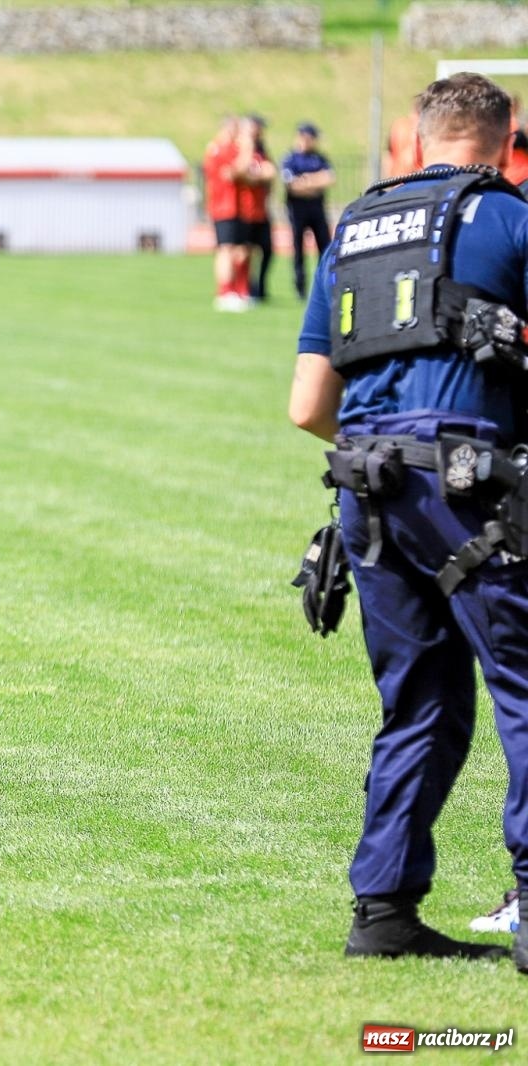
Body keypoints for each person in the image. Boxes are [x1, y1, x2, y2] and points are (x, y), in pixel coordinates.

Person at [289, 72, 528, 968]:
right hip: (473, 484)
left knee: (420, 702)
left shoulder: (348, 232)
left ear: (420, 138)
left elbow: (308, 402)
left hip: (365, 487)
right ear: (503, 141)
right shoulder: (511, 218)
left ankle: (383, 911)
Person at [280, 122, 334, 300]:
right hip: (297, 210)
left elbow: (329, 179)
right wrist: (314, 182)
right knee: (298, 249)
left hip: (317, 208)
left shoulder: (320, 158)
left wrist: (306, 181)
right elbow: (291, 185)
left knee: (324, 247)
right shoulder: (291, 159)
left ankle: (323, 283)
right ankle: (300, 286)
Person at [204, 116, 247, 311]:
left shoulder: (230, 149)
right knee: (225, 248)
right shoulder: (217, 149)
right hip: (223, 207)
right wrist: (247, 148)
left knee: (237, 250)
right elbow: (234, 171)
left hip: (236, 207)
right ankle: (224, 292)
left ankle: (236, 290)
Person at [235, 115, 277, 303]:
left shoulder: (261, 149)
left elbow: (270, 172)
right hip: (244, 210)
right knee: (244, 251)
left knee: (267, 249)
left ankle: (259, 287)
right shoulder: (240, 149)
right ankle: (243, 288)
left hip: (261, 210)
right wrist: (259, 174)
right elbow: (243, 174)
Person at [385, 105, 421, 178]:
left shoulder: (399, 125)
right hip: (406, 179)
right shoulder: (402, 127)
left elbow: (388, 157)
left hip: (397, 180)